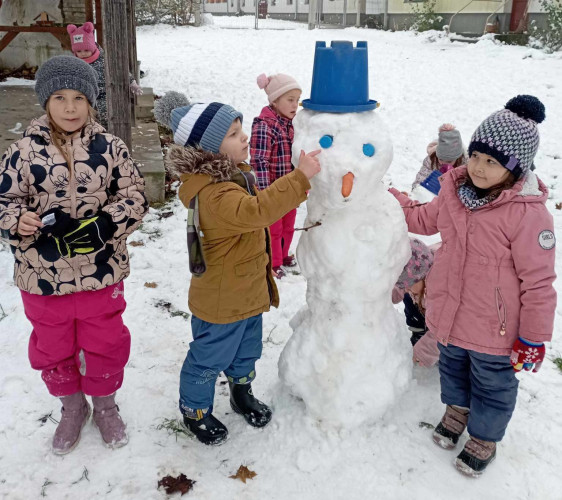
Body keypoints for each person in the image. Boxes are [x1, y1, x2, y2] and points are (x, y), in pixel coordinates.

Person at [390, 95, 555, 477]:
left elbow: (539, 282)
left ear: (515, 169)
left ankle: (484, 435)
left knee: (492, 383)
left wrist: (532, 337)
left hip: (496, 329)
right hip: (450, 314)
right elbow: (425, 220)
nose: (478, 168)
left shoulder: (528, 214)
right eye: (476, 156)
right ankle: (457, 412)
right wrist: (392, 203)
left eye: (491, 162)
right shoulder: (454, 192)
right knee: (453, 371)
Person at [0, 55, 148, 454]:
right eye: (61, 97)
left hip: (101, 271)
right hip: (43, 276)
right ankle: (71, 407)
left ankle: (105, 405)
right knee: (52, 346)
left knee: (106, 340)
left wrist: (106, 223)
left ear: (92, 101)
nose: (70, 107)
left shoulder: (111, 148)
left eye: (80, 97)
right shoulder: (21, 154)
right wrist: (19, 220)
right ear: (45, 100)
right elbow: (3, 201)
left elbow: (135, 197)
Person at [154, 93, 320, 445]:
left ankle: (241, 391)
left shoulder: (231, 177)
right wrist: (299, 178)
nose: (244, 136)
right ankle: (194, 410)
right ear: (210, 149)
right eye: (232, 133)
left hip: (244, 294)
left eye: (241, 128)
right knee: (208, 358)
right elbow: (256, 211)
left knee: (247, 351)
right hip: (221, 303)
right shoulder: (215, 194)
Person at [250, 73, 302, 278]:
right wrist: (264, 193)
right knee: (274, 229)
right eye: (290, 100)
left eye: (297, 100)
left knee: (289, 226)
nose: (295, 105)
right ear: (274, 100)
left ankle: (283, 254)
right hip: (273, 190)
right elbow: (259, 161)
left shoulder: (291, 124)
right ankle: (273, 261)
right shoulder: (264, 125)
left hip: (291, 189)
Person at [67, 22, 143, 128]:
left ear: (92, 47)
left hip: (106, 93)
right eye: (79, 51)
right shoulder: (75, 63)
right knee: (86, 119)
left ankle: (107, 134)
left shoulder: (104, 59)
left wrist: (132, 82)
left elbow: (120, 70)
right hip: (86, 96)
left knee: (107, 116)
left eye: (86, 50)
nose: (83, 53)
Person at [412, 124, 466, 191]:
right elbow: (421, 177)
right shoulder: (432, 160)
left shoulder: (464, 164)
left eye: (449, 161)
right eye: (441, 159)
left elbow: (467, 185)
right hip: (432, 194)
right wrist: (418, 190)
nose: (444, 163)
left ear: (458, 157)